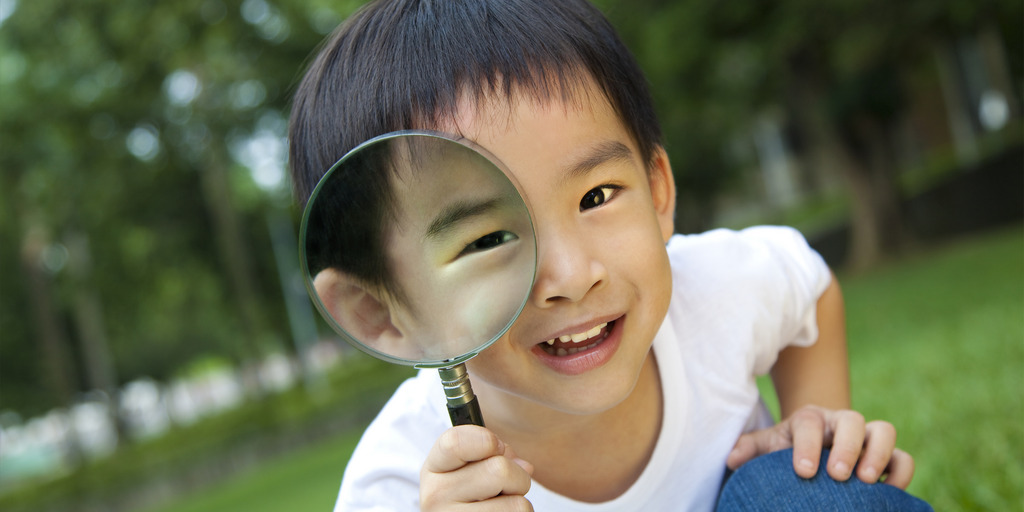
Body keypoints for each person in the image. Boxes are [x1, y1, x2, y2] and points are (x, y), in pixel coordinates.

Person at [288, 0, 933, 510]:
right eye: (486, 240)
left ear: (657, 193)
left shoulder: (716, 290)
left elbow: (806, 283)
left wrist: (816, 423)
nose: (571, 277)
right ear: (380, 312)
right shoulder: (396, 484)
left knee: (805, 497)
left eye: (597, 195)